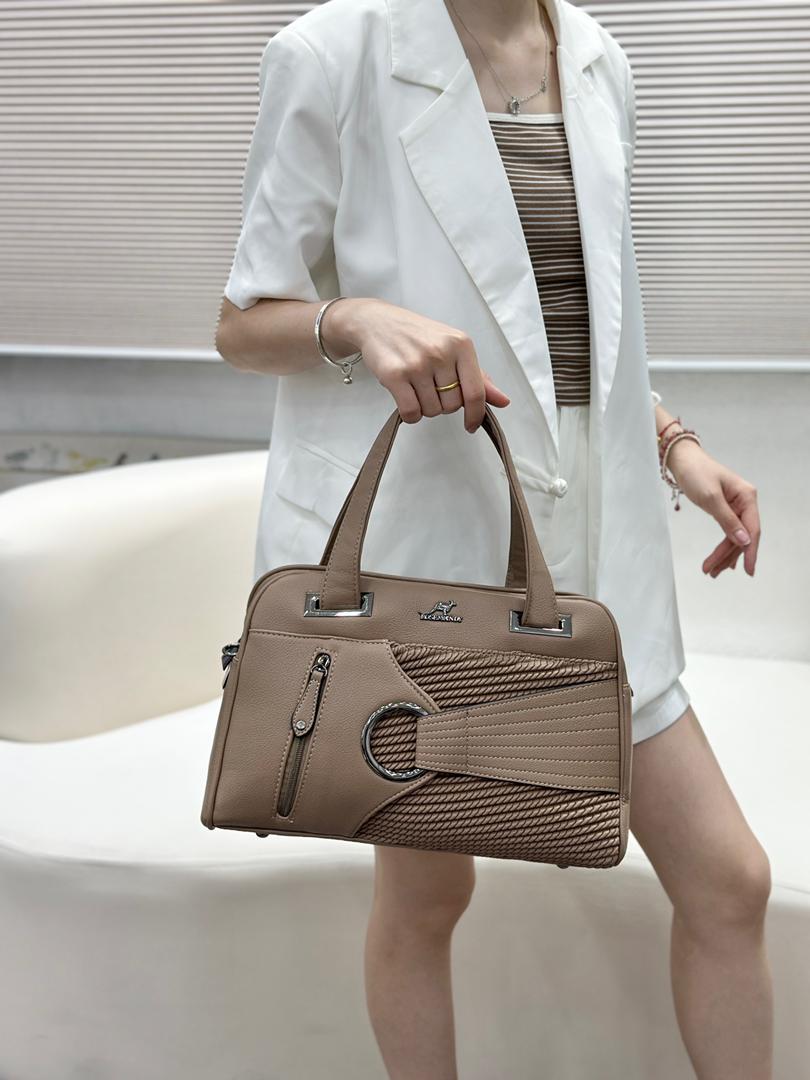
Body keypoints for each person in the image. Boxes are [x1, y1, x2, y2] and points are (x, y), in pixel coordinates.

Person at [215, 0, 773, 1075]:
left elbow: (574, 330)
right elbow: (243, 324)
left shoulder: (599, 61)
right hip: (424, 573)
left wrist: (676, 448)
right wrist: (356, 320)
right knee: (428, 897)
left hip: (593, 569)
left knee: (729, 881)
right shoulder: (332, 54)